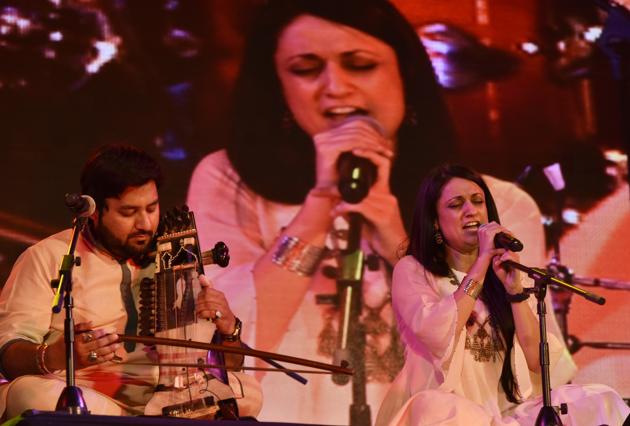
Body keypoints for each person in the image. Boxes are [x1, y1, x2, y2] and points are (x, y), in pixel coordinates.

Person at [186, 0, 575, 423]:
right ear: (279, 88)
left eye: (358, 65)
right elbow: (221, 344)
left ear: (405, 76)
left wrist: (392, 228)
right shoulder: (230, 181)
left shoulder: (491, 203)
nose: (333, 86)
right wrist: (317, 210)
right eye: (305, 69)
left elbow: (511, 354)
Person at [0, 144, 262, 419]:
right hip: (93, 401)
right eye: (128, 212)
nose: (145, 224)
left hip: (168, 399)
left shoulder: (174, 256)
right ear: (95, 211)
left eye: (152, 208)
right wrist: (57, 355)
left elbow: (228, 365)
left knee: (249, 391)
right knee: (32, 394)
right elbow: (8, 354)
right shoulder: (48, 257)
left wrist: (230, 330)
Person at [375, 164, 630, 426]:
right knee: (439, 408)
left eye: (477, 201)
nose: (470, 210)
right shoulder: (413, 270)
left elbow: (537, 361)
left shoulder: (503, 275)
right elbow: (438, 332)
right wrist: (481, 263)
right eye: (456, 204)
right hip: (448, 412)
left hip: (507, 414)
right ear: (435, 222)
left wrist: (516, 293)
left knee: (601, 399)